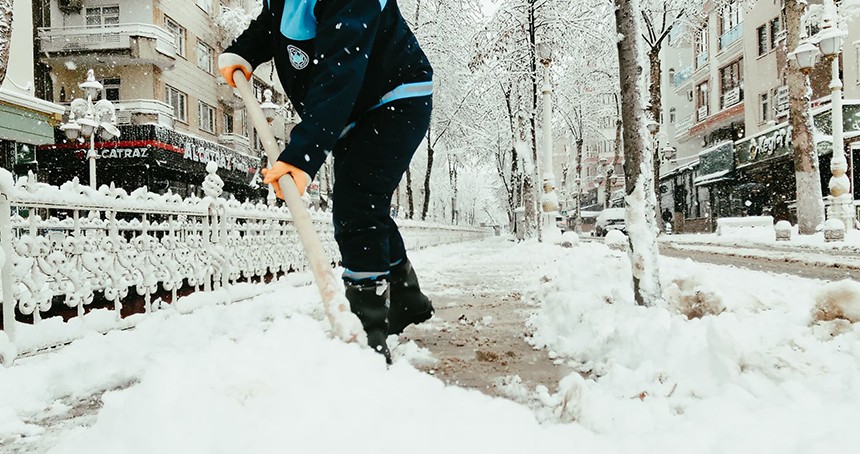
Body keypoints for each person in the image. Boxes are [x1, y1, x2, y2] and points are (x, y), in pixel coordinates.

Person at [218, 0, 434, 364]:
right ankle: (406, 296)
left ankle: (367, 331)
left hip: (396, 97)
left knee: (358, 203)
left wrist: (303, 155)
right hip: (354, 108)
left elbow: (340, 70)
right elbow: (273, 22)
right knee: (365, 203)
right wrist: (244, 52)